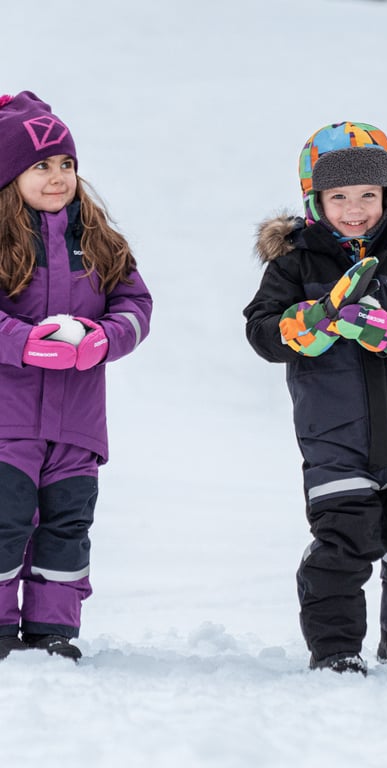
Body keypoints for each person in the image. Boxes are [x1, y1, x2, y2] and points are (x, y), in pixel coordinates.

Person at [244, 121, 387, 675]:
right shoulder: (297, 260)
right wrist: (316, 321)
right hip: (335, 436)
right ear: (315, 200)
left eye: (368, 195)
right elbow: (265, 332)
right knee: (345, 545)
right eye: (338, 196)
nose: (355, 208)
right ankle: (336, 650)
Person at [0, 91, 152, 661]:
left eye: (66, 163)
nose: (58, 175)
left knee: (67, 528)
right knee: (5, 522)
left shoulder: (97, 239)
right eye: (41, 165)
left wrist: (103, 340)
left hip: (77, 425)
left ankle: (52, 631)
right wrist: (23, 344)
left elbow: (136, 305)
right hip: (8, 423)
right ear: (11, 174)